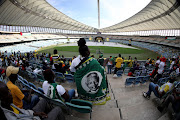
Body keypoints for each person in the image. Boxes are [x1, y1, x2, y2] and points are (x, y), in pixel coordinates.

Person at [0, 81, 65, 120]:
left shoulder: (9, 105)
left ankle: (48, 115)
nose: (10, 93)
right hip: (33, 118)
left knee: (44, 100)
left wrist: (35, 113)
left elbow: (23, 112)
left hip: (30, 114)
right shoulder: (8, 116)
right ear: (2, 98)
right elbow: (28, 100)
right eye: (7, 93)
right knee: (58, 109)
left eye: (9, 91)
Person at [74, 38, 110, 105]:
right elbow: (101, 70)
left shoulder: (75, 61)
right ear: (87, 52)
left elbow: (75, 72)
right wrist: (104, 63)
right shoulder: (93, 61)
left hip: (81, 90)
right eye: (89, 49)